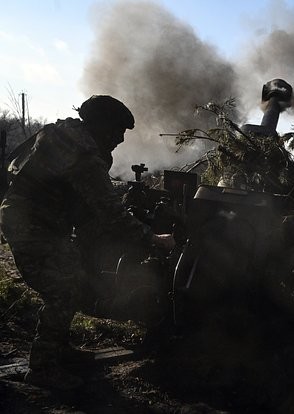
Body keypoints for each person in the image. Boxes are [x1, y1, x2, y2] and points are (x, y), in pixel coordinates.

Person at [0, 95, 175, 390]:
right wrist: (153, 239)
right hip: (32, 224)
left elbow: (18, 165)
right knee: (64, 287)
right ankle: (43, 368)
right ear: (102, 127)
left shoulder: (60, 133)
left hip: (28, 216)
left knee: (71, 276)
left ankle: (58, 349)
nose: (120, 139)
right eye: (117, 131)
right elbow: (111, 214)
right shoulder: (82, 156)